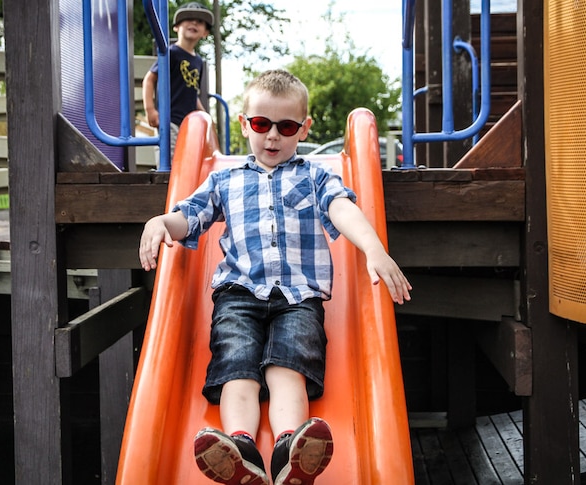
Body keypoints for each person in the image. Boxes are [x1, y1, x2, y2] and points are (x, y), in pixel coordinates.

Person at [138, 70, 412, 485]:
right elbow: (190, 215)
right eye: (261, 124)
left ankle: (290, 449)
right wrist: (161, 222)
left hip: (299, 297)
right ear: (245, 123)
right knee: (236, 366)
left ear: (304, 129)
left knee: (288, 367)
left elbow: (342, 208)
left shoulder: (315, 176)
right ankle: (241, 449)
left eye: (285, 127)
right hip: (238, 294)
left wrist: (373, 248)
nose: (272, 137)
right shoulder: (225, 180)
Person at [142, 2, 213, 159]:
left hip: (189, 124)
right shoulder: (171, 53)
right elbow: (149, 79)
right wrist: (150, 110)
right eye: (188, 19)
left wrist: (205, 116)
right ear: (176, 27)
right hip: (169, 120)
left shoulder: (198, 62)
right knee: (171, 161)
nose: (194, 22)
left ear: (205, 33)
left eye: (200, 22)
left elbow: (192, 93)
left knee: (188, 160)